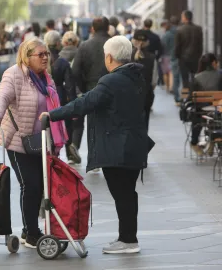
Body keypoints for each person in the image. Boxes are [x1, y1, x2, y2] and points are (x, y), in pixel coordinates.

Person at [40, 36, 154, 254]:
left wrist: (52, 114)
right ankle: (128, 237)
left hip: (117, 148)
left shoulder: (110, 81)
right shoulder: (138, 76)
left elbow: (84, 104)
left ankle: (128, 240)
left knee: (122, 194)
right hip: (135, 144)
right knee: (128, 193)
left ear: (109, 57)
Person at [0, 37, 68, 249]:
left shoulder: (45, 78)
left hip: (41, 142)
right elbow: (2, 96)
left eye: (46, 54)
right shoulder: (14, 74)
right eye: (39, 54)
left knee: (41, 186)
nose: (44, 58)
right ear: (26, 56)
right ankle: (31, 233)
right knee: (30, 185)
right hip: (18, 140)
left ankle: (28, 229)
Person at [72, 16, 110, 172]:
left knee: (93, 125)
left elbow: (75, 71)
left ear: (92, 29)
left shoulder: (85, 46)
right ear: (108, 28)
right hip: (114, 87)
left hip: (92, 88)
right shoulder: (116, 44)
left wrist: (83, 87)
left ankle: (95, 159)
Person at [44, 30, 80, 164]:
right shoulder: (62, 63)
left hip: (45, 96)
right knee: (66, 125)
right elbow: (70, 85)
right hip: (60, 96)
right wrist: (74, 105)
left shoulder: (42, 60)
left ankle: (49, 151)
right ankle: (68, 152)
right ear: (58, 43)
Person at [190, 53, 222, 156]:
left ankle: (194, 142)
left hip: (201, 111)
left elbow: (191, 97)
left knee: (197, 114)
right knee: (217, 115)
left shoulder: (196, 77)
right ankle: (213, 141)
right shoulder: (220, 75)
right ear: (213, 63)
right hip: (218, 109)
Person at [59, 31, 85, 158]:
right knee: (78, 124)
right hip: (79, 92)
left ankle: (69, 152)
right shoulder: (81, 54)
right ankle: (74, 146)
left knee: (66, 124)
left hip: (63, 94)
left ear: (63, 42)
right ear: (76, 42)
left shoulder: (58, 56)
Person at [131, 30, 157, 131]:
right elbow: (154, 81)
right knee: (144, 122)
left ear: (133, 41)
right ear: (147, 42)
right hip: (146, 95)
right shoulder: (152, 57)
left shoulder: (126, 56)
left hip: (129, 95)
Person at [175, 10, 203, 90]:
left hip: (183, 58)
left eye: (182, 17)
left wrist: (177, 56)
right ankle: (194, 94)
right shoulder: (198, 29)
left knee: (185, 79)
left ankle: (187, 98)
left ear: (185, 18)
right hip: (195, 57)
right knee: (195, 77)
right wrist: (199, 55)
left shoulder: (179, 30)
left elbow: (177, 46)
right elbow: (200, 44)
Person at [168, 16, 181, 104]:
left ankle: (177, 98)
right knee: (185, 78)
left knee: (176, 78)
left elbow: (164, 43)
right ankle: (185, 97)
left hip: (173, 57)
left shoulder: (168, 34)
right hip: (183, 57)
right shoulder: (182, 31)